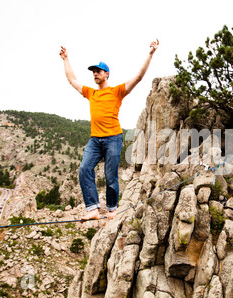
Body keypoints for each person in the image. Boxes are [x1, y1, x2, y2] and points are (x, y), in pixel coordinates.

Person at [59, 39, 159, 221]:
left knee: (110, 175)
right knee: (84, 169)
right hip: (95, 139)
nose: (95, 74)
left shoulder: (116, 91)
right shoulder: (91, 92)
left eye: (98, 71)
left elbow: (138, 77)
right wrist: (66, 58)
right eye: (93, 72)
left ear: (107, 74)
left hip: (113, 137)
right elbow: (72, 80)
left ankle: (112, 209)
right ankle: (93, 209)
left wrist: (150, 54)